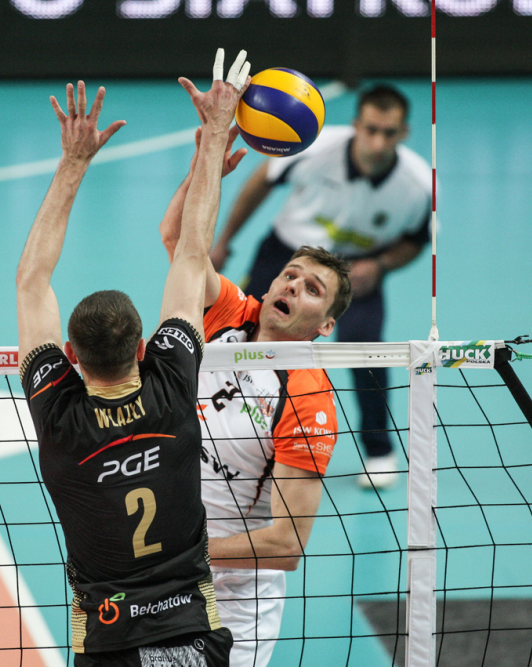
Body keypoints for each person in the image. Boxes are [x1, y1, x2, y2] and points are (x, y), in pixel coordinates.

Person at [17, 49, 251, 667]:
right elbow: (192, 254)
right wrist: (215, 136)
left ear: (70, 356)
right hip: (193, 633)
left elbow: (32, 283)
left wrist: (73, 163)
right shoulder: (172, 383)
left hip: (109, 643)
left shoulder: (59, 416)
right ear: (145, 349)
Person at [160, 146, 353, 667]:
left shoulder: (306, 396)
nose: (293, 285)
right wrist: (203, 169)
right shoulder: (229, 313)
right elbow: (179, 243)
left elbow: (287, 545)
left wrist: (185, 556)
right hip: (159, 578)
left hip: (232, 602)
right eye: (291, 274)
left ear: (325, 325)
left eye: (312, 289)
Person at [209, 84, 432, 489]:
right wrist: (224, 241)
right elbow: (260, 182)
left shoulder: (419, 185)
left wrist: (380, 266)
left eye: (389, 133)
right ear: (356, 125)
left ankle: (379, 451)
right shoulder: (313, 147)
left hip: (357, 269)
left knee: (367, 349)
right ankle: (223, 425)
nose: (378, 142)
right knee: (245, 332)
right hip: (288, 255)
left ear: (404, 133)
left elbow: (416, 242)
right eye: (371, 130)